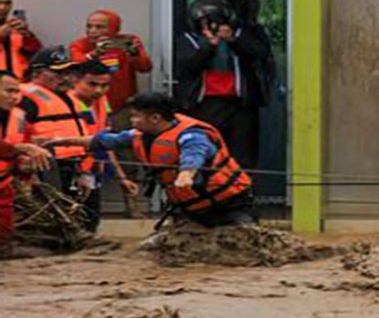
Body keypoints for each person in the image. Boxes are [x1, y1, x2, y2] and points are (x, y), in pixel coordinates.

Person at [48, 93, 256, 228]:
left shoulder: (192, 135)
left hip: (229, 204)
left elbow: (194, 155)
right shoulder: (139, 135)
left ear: (155, 118)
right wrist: (62, 141)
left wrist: (186, 175)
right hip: (191, 208)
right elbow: (103, 141)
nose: (132, 121)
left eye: (135, 116)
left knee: (246, 241)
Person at [21, 50, 112, 232]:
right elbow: (14, 138)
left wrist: (85, 172)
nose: (65, 78)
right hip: (44, 169)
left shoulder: (71, 99)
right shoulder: (24, 99)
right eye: (58, 73)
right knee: (48, 223)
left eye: (68, 72)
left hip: (75, 167)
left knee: (87, 220)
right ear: (37, 73)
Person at [175, 0, 272, 169]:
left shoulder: (240, 36)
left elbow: (260, 54)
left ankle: (241, 184)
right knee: (207, 152)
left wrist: (233, 40)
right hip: (204, 104)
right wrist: (209, 46)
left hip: (239, 104)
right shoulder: (189, 39)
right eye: (206, 22)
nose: (212, 26)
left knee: (242, 155)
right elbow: (188, 67)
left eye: (217, 21)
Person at [0, 72, 53, 256]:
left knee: (4, 233)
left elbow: (26, 149)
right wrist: (23, 148)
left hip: (4, 185)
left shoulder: (20, 118)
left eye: (17, 91)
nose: (15, 97)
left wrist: (26, 165)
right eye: (9, 91)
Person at [68, 9, 153, 112]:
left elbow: (145, 68)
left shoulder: (127, 42)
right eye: (89, 26)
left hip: (122, 107)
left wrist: (136, 55)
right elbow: (76, 65)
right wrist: (94, 54)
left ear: (115, 29)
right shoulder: (79, 45)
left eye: (99, 27)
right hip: (90, 105)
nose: (92, 31)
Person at [0, 0, 43, 80]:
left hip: (20, 82)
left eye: (7, 3)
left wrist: (28, 35)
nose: (3, 7)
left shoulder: (15, 27)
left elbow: (37, 55)